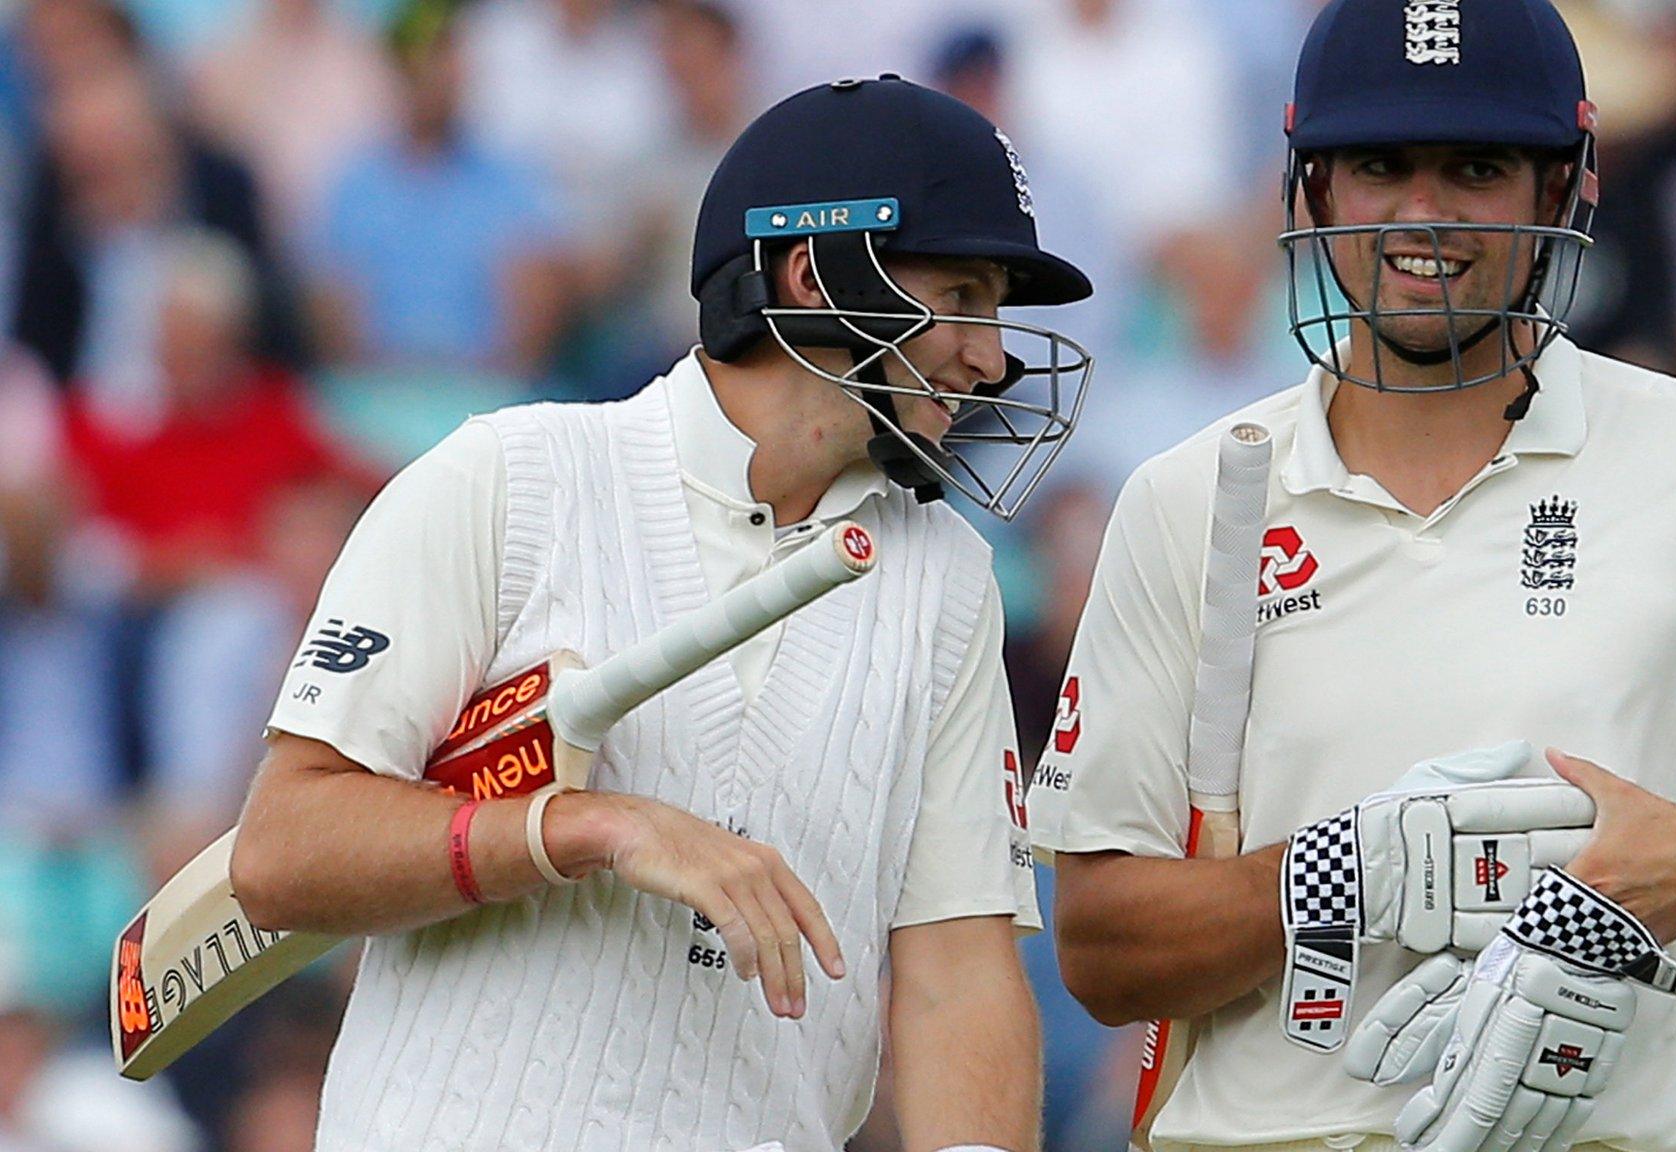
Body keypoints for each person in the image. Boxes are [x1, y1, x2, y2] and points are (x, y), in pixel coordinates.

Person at [1027, 4, 1676, 1152]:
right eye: (1376, 165)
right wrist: (1342, 876)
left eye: (1475, 167)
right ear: (1307, 186)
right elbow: (1104, 953)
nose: (1423, 214)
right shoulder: (1188, 498)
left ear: (1561, 189)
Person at [230, 74, 1094, 1151]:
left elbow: (956, 973)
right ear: (811, 274)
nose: (994, 355)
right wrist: (589, 827)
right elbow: (279, 853)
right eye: (961, 296)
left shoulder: (948, 578)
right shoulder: (508, 479)